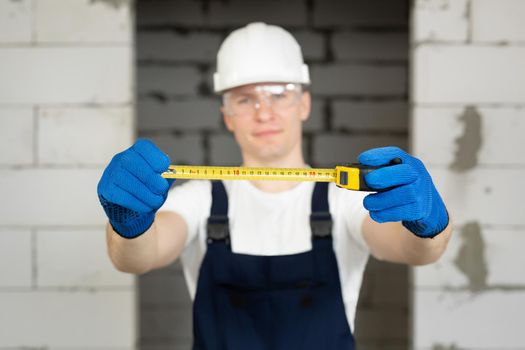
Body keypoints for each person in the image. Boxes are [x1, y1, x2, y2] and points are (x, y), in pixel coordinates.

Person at [97, 22, 451, 350]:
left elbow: (416, 251)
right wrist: (129, 224)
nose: (264, 112)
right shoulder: (200, 198)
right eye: (245, 98)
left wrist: (431, 223)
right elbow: (136, 258)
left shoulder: (344, 200)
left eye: (279, 94)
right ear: (227, 116)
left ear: (305, 104)